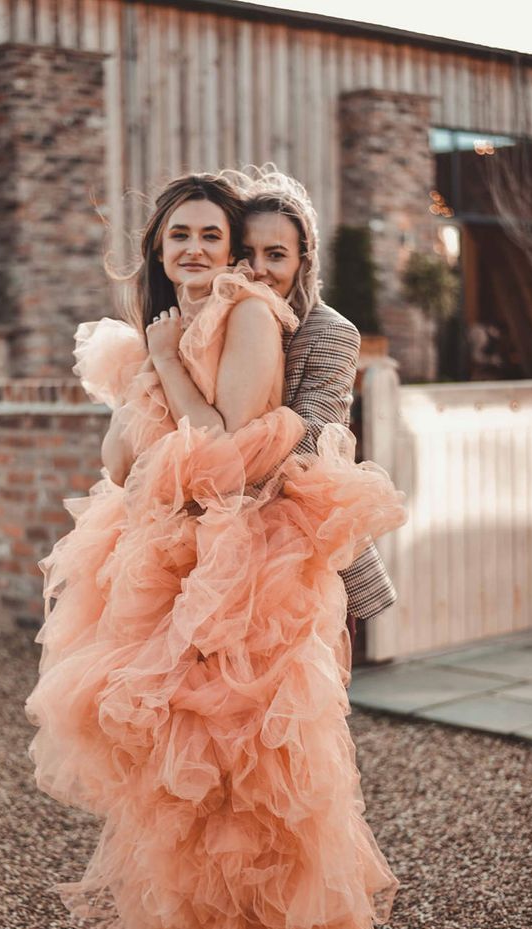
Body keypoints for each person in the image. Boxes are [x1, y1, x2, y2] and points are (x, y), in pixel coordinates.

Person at [24, 172, 408, 929]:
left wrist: (172, 385)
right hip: (170, 560)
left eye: (269, 253)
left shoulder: (300, 327)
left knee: (274, 752)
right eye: (192, 240)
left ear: (300, 258)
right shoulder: (171, 326)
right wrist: (156, 378)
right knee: (182, 755)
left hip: (271, 556)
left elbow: (267, 445)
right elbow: (123, 463)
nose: (247, 264)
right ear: (162, 253)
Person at [236, 168, 399, 658]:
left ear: (304, 260)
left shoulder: (330, 332)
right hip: (222, 542)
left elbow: (311, 444)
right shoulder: (215, 324)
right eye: (247, 253)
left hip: (298, 543)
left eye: (277, 254)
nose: (259, 268)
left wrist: (214, 475)